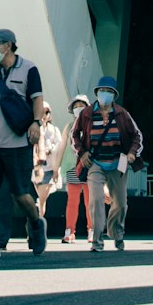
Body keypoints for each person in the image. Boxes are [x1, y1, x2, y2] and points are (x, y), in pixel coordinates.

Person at [0, 28, 47, 258]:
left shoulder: (28, 69)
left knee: (21, 194)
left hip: (17, 143)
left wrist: (36, 123)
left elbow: (38, 100)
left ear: (9, 45)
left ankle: (36, 223)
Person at [72, 75, 142, 253]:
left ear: (114, 95)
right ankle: (97, 241)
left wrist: (132, 153)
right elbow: (74, 136)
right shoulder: (86, 114)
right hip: (95, 163)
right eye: (102, 91)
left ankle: (117, 232)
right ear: (97, 93)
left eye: (109, 92)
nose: (105, 94)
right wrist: (82, 153)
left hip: (118, 162)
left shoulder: (122, 114)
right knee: (95, 200)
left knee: (120, 203)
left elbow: (137, 136)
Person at [57, 93, 91, 243]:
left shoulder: (93, 124)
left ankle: (92, 230)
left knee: (90, 201)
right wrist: (55, 169)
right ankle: (69, 231)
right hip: (72, 167)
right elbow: (62, 147)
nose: (78, 108)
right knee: (72, 201)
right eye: (76, 106)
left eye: (81, 105)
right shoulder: (69, 127)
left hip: (89, 167)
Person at [32, 101, 63, 219]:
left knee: (40, 198)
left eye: (47, 112)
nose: (44, 114)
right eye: (42, 111)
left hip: (49, 168)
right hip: (35, 168)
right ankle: (35, 224)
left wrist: (49, 150)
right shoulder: (33, 128)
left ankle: (36, 223)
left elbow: (60, 147)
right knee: (40, 201)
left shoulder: (54, 130)